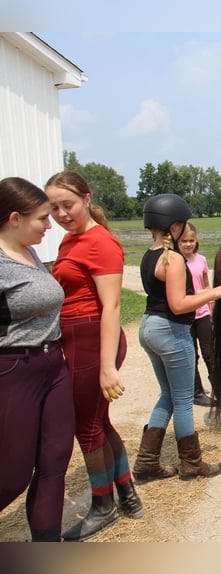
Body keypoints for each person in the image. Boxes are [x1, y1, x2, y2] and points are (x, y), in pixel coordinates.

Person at [45, 171, 143, 542]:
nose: (61, 213)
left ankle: (103, 506)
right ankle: (126, 493)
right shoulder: (71, 240)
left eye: (67, 205)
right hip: (75, 336)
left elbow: (112, 305)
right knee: (98, 422)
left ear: (86, 199)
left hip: (90, 336)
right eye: (53, 207)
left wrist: (106, 367)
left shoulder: (99, 242)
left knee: (85, 427)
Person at [134, 194, 221, 481]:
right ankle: (192, 463)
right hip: (171, 331)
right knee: (184, 399)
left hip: (149, 327)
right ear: (174, 225)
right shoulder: (172, 258)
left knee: (168, 394)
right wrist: (214, 293)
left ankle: (147, 461)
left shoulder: (149, 256)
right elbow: (178, 304)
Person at [0, 176, 75, 542]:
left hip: (53, 365)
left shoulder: (29, 252)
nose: (51, 224)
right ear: (14, 218)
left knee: (55, 462)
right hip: (14, 368)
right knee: (12, 474)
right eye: (43, 218)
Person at [177, 222, 215, 407]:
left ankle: (218, 386)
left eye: (191, 240)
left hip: (202, 314)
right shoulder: (176, 262)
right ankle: (197, 391)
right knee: (192, 355)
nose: (188, 244)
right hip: (185, 316)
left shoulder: (201, 260)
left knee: (210, 353)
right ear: (177, 242)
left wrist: (211, 310)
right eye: (184, 241)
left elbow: (207, 287)